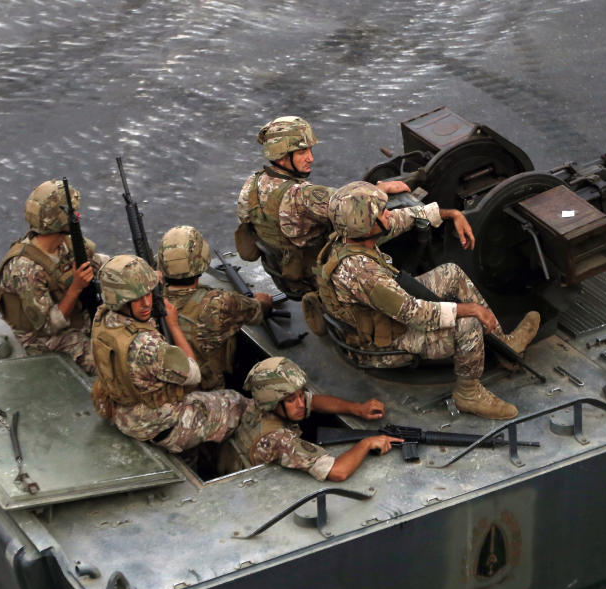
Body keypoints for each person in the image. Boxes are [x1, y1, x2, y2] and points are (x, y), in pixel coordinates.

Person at [316, 181, 540, 420]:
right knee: (468, 324)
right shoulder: (363, 274)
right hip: (383, 344)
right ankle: (468, 393)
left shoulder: (350, 238)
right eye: (381, 212)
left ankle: (505, 346)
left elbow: (404, 217)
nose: (388, 213)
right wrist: (471, 310)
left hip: (388, 315)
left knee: (451, 274)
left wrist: (453, 214)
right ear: (366, 226)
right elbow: (416, 315)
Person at [91, 254, 253, 454]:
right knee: (237, 403)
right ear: (122, 301)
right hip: (161, 426)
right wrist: (174, 325)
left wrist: (147, 280)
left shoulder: (103, 317)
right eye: (137, 298)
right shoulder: (147, 347)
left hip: (124, 412)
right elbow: (193, 374)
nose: (146, 303)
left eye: (148, 293)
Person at [235, 115, 409, 298]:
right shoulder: (302, 196)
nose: (310, 158)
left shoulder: (251, 184)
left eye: (310, 150)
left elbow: (247, 220)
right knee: (376, 227)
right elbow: (355, 204)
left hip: (281, 275)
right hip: (315, 279)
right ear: (281, 158)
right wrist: (380, 189)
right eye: (302, 152)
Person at [0, 179, 106, 375]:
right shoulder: (25, 269)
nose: (78, 216)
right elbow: (47, 326)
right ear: (59, 221)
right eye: (74, 214)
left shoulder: (66, 244)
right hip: (43, 337)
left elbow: (99, 263)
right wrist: (76, 288)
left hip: (76, 317)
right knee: (107, 364)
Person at [236, 357, 401, 482]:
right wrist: (367, 443)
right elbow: (338, 471)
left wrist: (357, 408)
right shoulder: (279, 440)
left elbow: (313, 402)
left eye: (301, 394)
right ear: (273, 403)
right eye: (291, 400)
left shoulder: (258, 405)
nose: (301, 403)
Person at [157, 225, 272, 390]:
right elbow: (256, 312)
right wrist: (263, 300)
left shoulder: (150, 298)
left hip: (168, 386)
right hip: (207, 393)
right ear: (202, 259)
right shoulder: (218, 303)